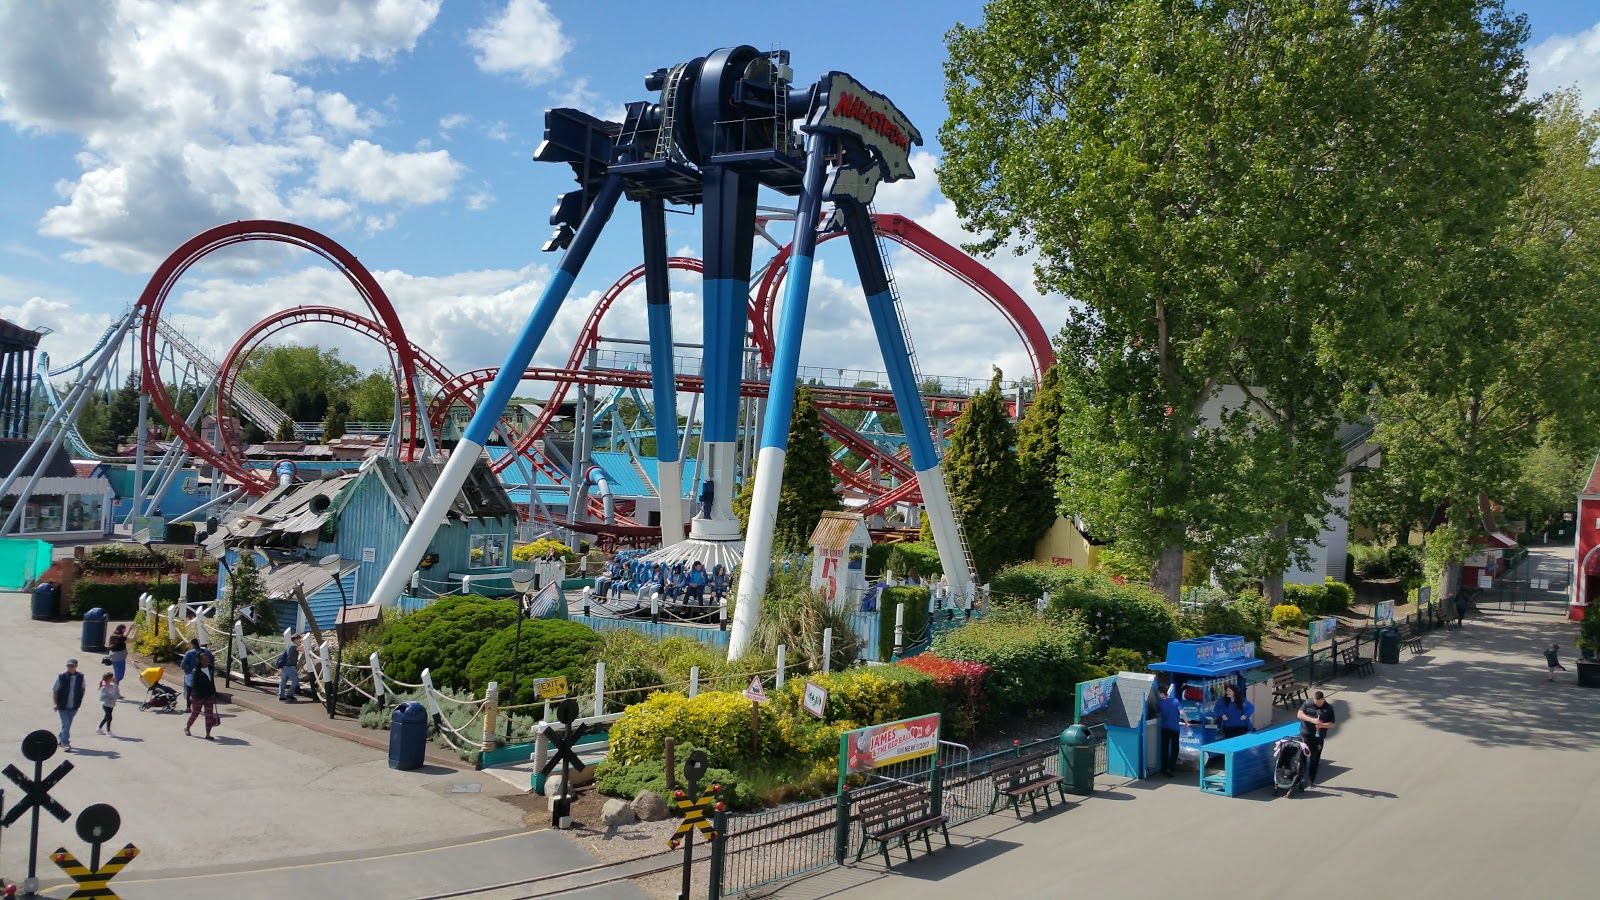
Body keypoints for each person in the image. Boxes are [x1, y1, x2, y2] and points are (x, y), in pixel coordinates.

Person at [1295, 691, 1338, 786]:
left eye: (1319, 702)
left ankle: (1311, 780)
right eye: (1316, 701)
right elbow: (1299, 714)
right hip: (1305, 734)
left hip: (1318, 737)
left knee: (1315, 759)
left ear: (1323, 699)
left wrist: (1321, 725)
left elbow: (1332, 724)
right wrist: (1311, 720)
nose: (1317, 704)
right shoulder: (1308, 703)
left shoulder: (1328, 708)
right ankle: (1299, 779)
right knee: (1302, 758)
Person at [52, 659, 86, 752]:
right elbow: (55, 690)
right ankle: (65, 743)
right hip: (62, 705)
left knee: (67, 724)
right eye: (68, 666)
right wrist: (55, 703)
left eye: (72, 666)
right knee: (66, 723)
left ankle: (61, 738)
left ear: (76, 666)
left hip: (74, 705)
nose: (70, 668)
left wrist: (79, 699)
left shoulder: (80, 677)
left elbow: (83, 688)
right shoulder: (61, 677)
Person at [186, 653, 219, 739]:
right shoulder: (196, 671)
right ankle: (187, 727)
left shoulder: (211, 668)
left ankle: (208, 734)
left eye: (208, 659)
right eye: (205, 660)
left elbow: (212, 682)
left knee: (209, 715)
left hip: (209, 696)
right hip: (198, 697)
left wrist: (213, 692)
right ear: (200, 661)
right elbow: (193, 685)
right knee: (195, 713)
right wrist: (193, 697)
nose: (207, 661)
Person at [1157, 683, 1185, 777]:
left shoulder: (1160, 703)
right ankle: (1171, 768)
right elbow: (1182, 712)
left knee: (1164, 749)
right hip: (1175, 729)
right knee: (1175, 749)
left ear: (1161, 693)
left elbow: (1157, 713)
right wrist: (1186, 722)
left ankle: (1164, 768)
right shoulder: (1175, 700)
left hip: (1165, 728)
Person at [277, 634, 302, 702]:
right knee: (296, 680)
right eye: (300, 639)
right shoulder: (294, 646)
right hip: (290, 667)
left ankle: (281, 696)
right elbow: (302, 650)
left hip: (284, 666)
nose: (300, 640)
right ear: (296, 639)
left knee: (283, 681)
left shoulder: (289, 645)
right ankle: (289, 694)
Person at [106, 625, 129, 698]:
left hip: (117, 657)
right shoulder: (119, 637)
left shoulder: (116, 635)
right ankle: (113, 690)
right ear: (122, 629)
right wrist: (137, 630)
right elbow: (132, 639)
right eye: (124, 629)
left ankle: (116, 693)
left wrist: (131, 629)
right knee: (119, 676)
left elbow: (125, 637)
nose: (125, 630)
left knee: (118, 676)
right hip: (118, 658)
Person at [179, 638, 202, 706]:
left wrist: (185, 669)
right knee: (198, 691)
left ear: (192, 644)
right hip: (201, 674)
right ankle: (198, 706)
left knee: (189, 691)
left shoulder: (189, 653)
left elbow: (183, 664)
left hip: (190, 673)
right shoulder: (203, 651)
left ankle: (188, 707)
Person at [96, 672, 117, 736]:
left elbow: (115, 692)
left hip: (111, 704)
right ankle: (108, 731)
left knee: (106, 717)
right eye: (112, 677)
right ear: (108, 679)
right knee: (109, 718)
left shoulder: (112, 685)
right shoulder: (104, 687)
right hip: (106, 705)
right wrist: (110, 699)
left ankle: (99, 729)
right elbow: (102, 697)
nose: (113, 678)